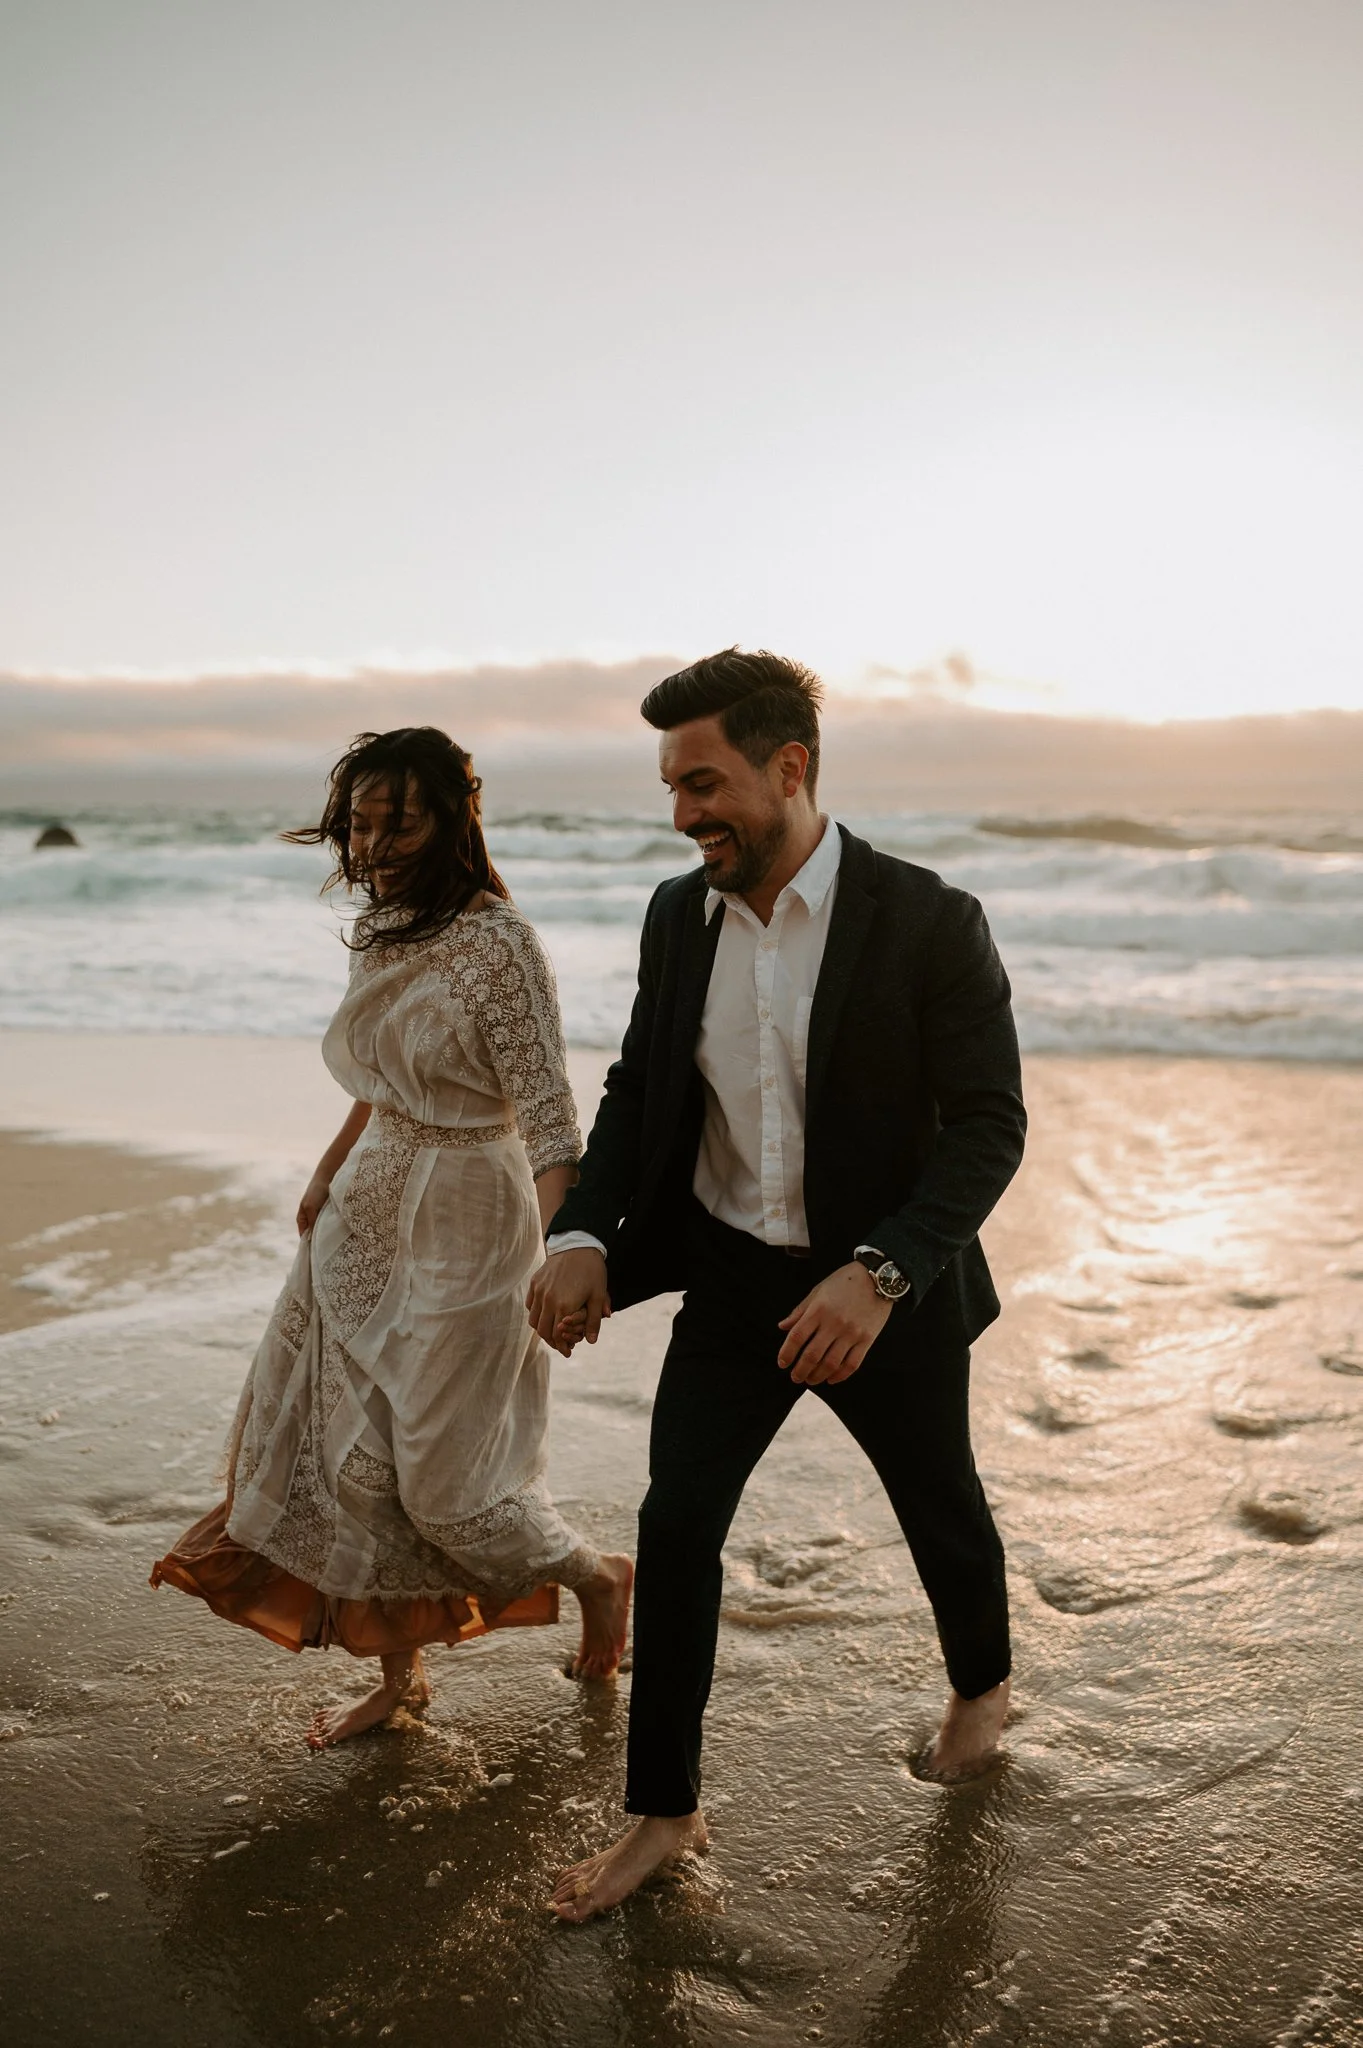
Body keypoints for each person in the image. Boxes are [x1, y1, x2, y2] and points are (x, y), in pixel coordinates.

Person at [527, 650, 1027, 1919]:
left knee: (939, 1504)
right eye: (672, 788)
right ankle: (664, 1812)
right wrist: (581, 1232)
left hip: (886, 1294)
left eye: (704, 783)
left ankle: (981, 1689)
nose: (685, 814)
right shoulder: (673, 912)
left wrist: (881, 1272)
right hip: (733, 1278)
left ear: (789, 767)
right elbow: (640, 1085)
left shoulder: (928, 918)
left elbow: (986, 1127)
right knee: (676, 1523)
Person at [151, 726, 632, 1747]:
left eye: (398, 820)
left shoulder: (500, 944)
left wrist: (568, 1245)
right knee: (351, 1466)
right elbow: (378, 1083)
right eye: (360, 822)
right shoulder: (385, 929)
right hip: (365, 1209)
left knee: (447, 1485)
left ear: (453, 816)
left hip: (470, 1216)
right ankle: (398, 1678)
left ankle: (598, 1575)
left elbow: (548, 1113)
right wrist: (327, 1170)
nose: (373, 843)